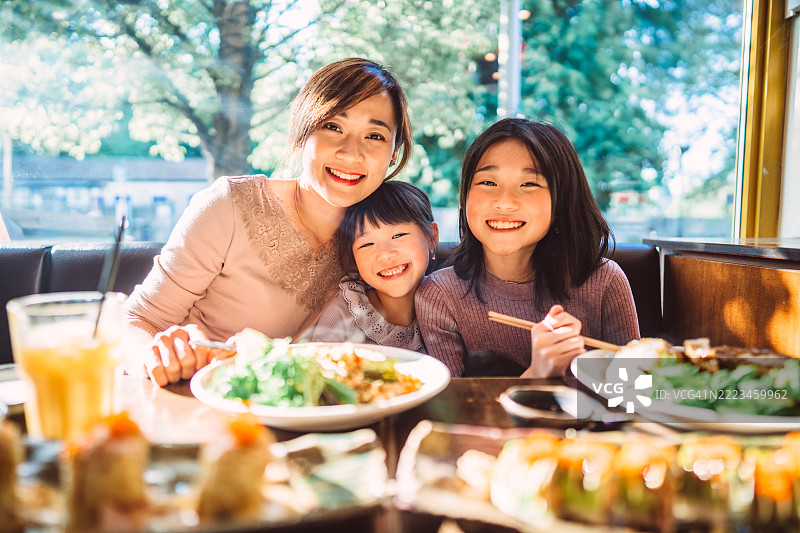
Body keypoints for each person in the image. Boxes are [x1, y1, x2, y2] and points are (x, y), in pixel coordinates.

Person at [126, 58, 414, 386]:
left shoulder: (377, 243)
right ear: (301, 128)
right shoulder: (228, 205)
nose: (351, 152)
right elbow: (135, 322)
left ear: (393, 153)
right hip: (187, 400)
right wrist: (154, 355)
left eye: (374, 136)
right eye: (333, 126)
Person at [415, 117, 640, 378]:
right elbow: (451, 410)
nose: (505, 203)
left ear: (561, 202)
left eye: (529, 184)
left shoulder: (605, 280)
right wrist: (538, 374)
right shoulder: (439, 295)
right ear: (464, 199)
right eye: (488, 183)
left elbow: (633, 395)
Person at [300, 180, 438, 351]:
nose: (385, 253)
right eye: (367, 244)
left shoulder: (449, 303)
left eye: (398, 235)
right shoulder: (343, 315)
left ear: (432, 237)